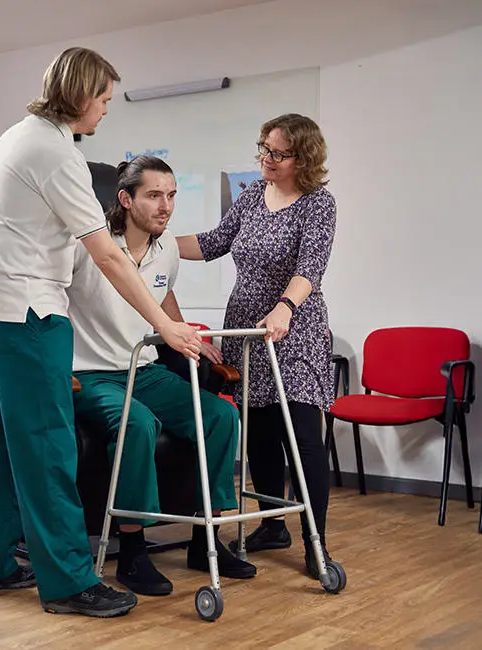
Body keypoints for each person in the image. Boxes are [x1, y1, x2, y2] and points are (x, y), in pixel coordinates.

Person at [0, 47, 202, 618]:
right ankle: (68, 581)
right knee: (47, 443)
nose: (106, 110)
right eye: (104, 99)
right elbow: (108, 256)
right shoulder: (56, 154)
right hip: (28, 309)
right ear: (81, 93)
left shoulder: (17, 135)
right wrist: (165, 323)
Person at [66, 155, 257, 597]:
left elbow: (162, 291)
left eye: (171, 195)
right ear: (125, 199)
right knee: (137, 424)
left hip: (144, 368)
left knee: (221, 417)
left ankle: (205, 539)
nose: (165, 206)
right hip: (90, 374)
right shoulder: (90, 244)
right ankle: (133, 551)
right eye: (154, 195)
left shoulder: (166, 245)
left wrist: (184, 332)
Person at [176, 113, 339, 578]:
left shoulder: (318, 204)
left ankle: (317, 543)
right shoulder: (252, 196)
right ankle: (273, 526)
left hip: (294, 329)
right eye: (264, 148)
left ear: (302, 158)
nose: (266, 158)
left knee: (303, 437)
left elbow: (311, 267)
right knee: (261, 433)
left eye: (278, 153)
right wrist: (153, 240)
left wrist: (285, 306)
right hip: (247, 330)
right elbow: (213, 242)